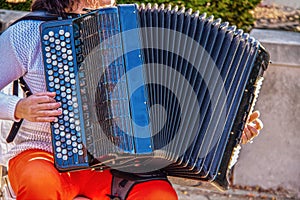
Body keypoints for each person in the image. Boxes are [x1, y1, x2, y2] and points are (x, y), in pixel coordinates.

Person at [0, 0, 263, 199]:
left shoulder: (131, 31)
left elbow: (179, 109)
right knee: (39, 185)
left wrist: (229, 134)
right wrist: (19, 108)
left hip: (114, 165)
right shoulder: (27, 33)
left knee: (160, 196)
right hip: (42, 154)